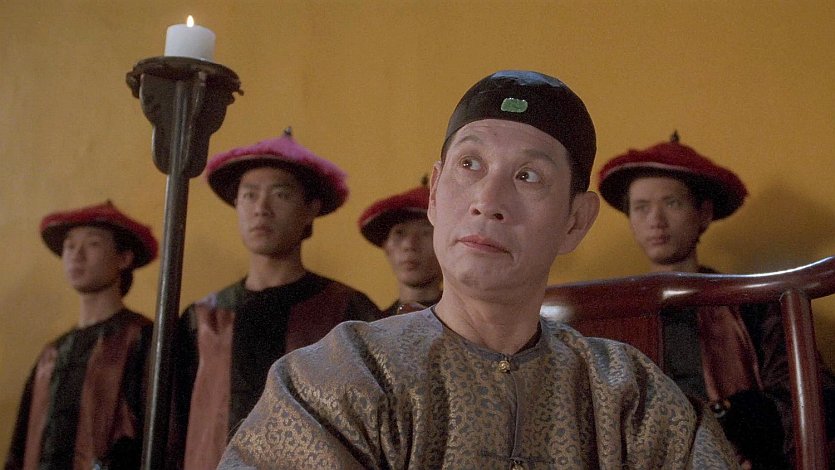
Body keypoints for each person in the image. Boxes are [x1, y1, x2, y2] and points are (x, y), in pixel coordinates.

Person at [218, 71, 738, 468]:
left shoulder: (631, 399)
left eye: (528, 176)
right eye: (470, 165)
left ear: (575, 221)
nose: (488, 200)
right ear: (435, 195)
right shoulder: (340, 380)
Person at [598, 132, 835, 468]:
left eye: (672, 203)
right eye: (641, 207)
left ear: (704, 213)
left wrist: (734, 416)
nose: (655, 220)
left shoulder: (754, 303)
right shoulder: (613, 315)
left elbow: (811, 396)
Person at [169, 127, 382, 469]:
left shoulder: (346, 309)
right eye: (249, 195)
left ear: (310, 208)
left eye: (280, 194)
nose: (261, 209)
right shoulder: (204, 317)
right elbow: (173, 428)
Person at [5, 201, 158, 470]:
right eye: (69, 246)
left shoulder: (142, 339)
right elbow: (20, 449)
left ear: (124, 258)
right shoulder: (52, 353)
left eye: (93, 244)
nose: (76, 255)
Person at [357, 176, 443, 316]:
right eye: (399, 233)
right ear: (386, 247)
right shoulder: (372, 325)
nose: (409, 245)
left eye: (425, 233)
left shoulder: (468, 323)